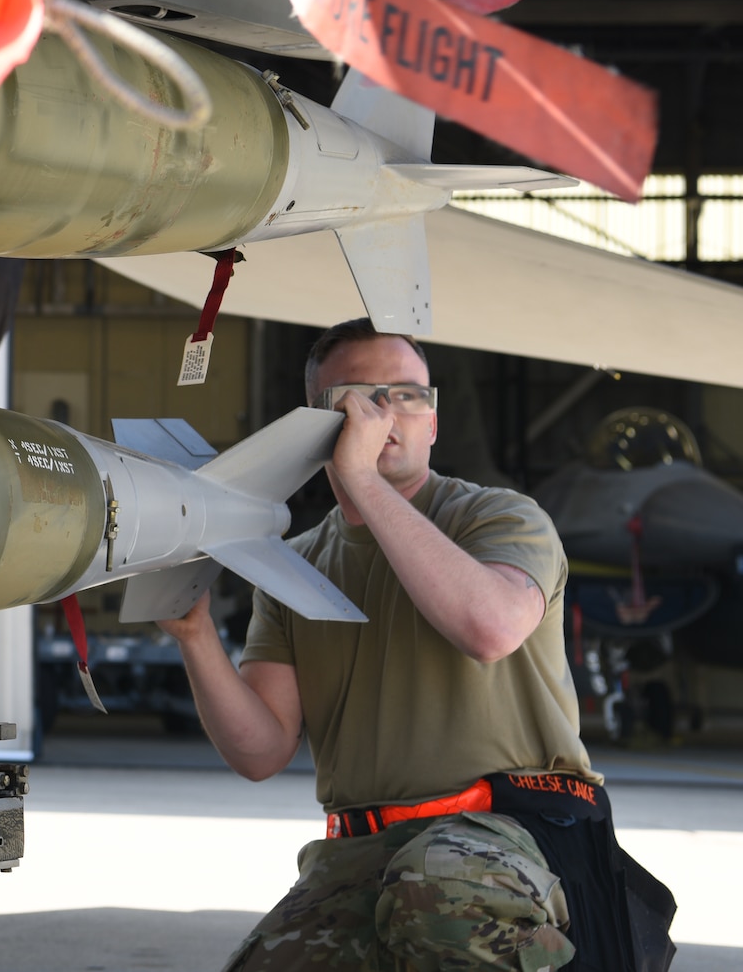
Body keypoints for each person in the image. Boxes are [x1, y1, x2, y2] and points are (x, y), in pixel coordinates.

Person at [158, 318, 672, 972]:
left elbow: (490, 628)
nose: (388, 413)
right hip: (364, 850)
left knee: (441, 898)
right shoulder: (292, 566)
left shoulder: (500, 518)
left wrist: (364, 482)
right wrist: (194, 633)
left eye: (408, 395)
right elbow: (261, 750)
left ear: (434, 421)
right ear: (315, 424)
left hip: (509, 833)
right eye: (360, 397)